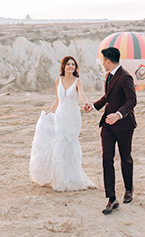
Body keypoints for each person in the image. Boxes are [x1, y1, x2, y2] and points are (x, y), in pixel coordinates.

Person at [29, 55, 96, 191]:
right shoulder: (58, 80)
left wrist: (86, 103)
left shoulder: (78, 81)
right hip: (60, 115)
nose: (71, 67)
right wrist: (49, 112)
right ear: (63, 66)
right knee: (60, 143)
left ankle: (73, 176)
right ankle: (61, 177)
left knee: (71, 143)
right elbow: (57, 100)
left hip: (73, 116)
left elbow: (82, 94)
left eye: (73, 64)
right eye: (68, 64)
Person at [84, 47, 137, 215]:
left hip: (124, 125)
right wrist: (93, 106)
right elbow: (108, 97)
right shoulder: (109, 76)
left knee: (125, 158)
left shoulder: (125, 76)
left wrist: (119, 115)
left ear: (107, 61)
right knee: (107, 158)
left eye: (102, 60)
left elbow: (132, 100)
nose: (102, 63)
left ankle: (128, 188)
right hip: (107, 124)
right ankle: (111, 199)